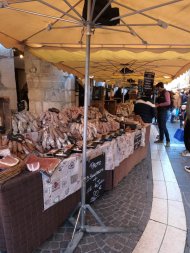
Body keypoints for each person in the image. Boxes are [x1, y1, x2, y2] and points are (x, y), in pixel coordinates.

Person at [154, 82, 171, 147]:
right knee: (160, 126)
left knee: (163, 126)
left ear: (160, 87)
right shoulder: (160, 93)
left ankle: (168, 141)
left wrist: (159, 105)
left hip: (164, 111)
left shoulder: (166, 93)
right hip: (159, 111)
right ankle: (161, 140)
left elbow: (168, 102)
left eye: (158, 88)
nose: (157, 90)